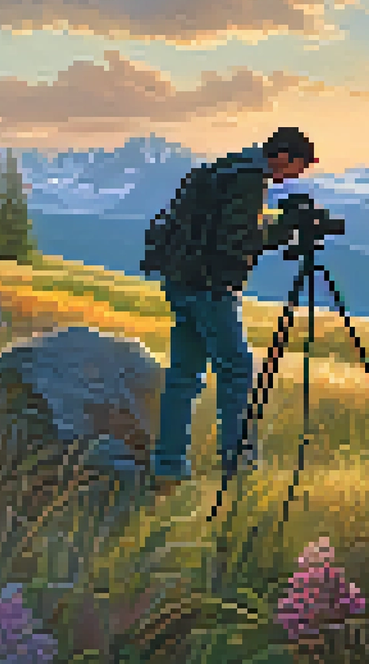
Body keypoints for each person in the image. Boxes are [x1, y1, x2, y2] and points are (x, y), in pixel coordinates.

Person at [140, 126, 316, 493]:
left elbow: (220, 226)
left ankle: (168, 466)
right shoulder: (250, 179)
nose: (294, 176)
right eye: (297, 167)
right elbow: (237, 241)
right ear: (284, 156)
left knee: (183, 376)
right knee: (236, 372)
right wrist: (284, 227)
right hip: (210, 288)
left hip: (181, 281)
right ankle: (239, 464)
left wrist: (271, 222)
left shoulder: (225, 167)